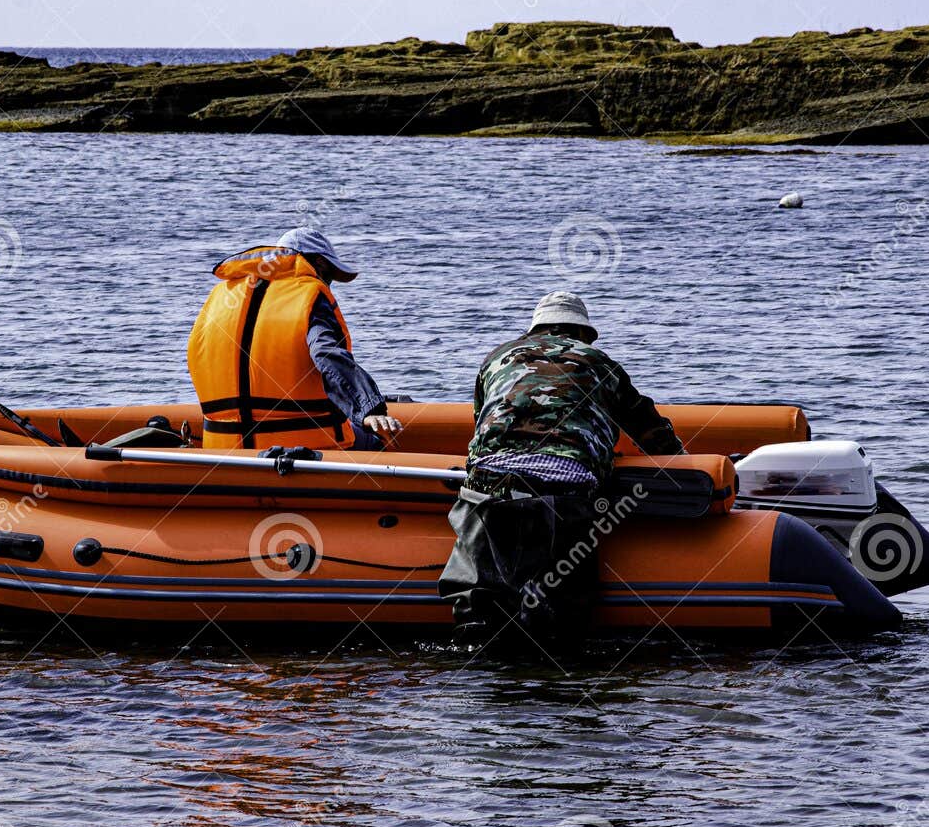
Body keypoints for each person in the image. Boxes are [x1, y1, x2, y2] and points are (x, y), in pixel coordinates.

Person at [439, 291, 684, 648]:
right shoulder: (601, 363)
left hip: (488, 485)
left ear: (535, 328)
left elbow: (481, 424)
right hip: (566, 486)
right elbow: (652, 434)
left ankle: (477, 646)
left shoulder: (496, 359)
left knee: (477, 612)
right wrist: (686, 468)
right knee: (564, 613)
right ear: (582, 333)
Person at [187, 228, 404, 450]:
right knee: (379, 443)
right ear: (319, 263)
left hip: (224, 446)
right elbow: (325, 352)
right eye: (330, 275)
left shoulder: (223, 297)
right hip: (304, 443)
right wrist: (368, 408)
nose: (329, 285)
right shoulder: (308, 295)